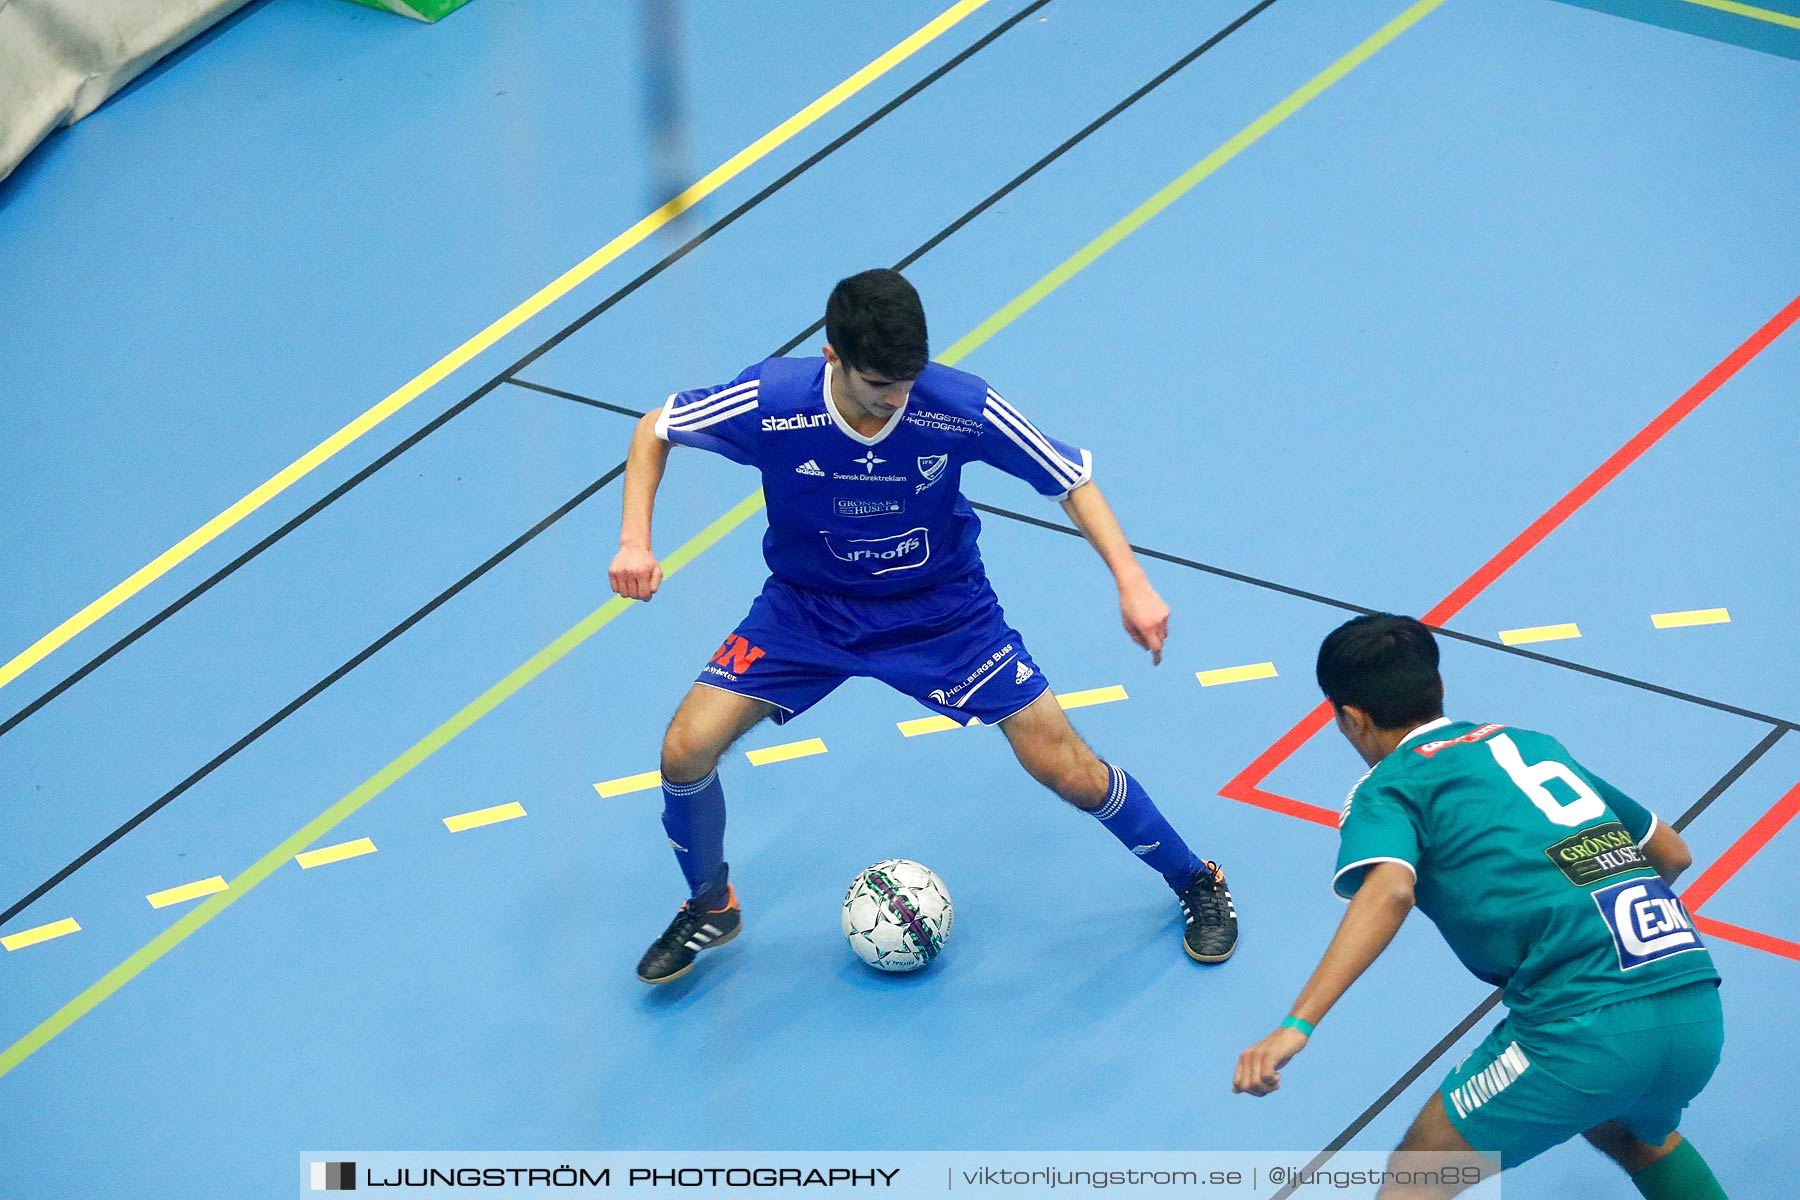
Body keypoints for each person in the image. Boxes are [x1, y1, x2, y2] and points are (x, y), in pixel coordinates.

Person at [608, 267, 1237, 984]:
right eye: (880, 384)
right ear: (832, 359)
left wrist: (1134, 583)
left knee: (1068, 769)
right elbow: (655, 430)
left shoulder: (958, 405)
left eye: (909, 379)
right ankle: (710, 904)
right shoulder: (773, 401)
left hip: (942, 613)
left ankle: (1197, 880)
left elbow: (1070, 479)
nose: (898, 398)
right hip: (808, 610)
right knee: (685, 749)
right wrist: (635, 540)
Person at [1233, 614, 1727, 1199]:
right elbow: (1672, 853)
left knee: (1414, 1181)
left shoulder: (1389, 788)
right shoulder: (1530, 744)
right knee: (1627, 1130)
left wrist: (1297, 1024)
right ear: (1437, 690)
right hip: (1695, 1005)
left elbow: (1389, 889)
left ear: (1350, 718)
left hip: (1579, 1030)